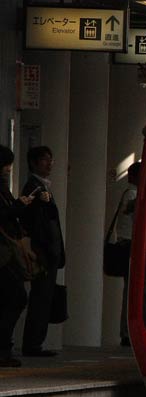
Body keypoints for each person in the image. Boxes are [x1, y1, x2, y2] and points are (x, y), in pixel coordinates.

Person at [20, 146, 64, 357]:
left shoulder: (42, 186)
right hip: (43, 252)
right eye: (45, 160)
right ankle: (33, 344)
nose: (50, 164)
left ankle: (36, 342)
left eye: (50, 159)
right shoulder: (33, 187)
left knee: (44, 297)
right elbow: (36, 221)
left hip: (49, 252)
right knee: (40, 297)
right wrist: (44, 249)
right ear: (34, 163)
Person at [0, 147, 34, 366]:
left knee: (12, 298)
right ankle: (3, 349)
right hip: (3, 254)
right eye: (6, 164)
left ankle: (4, 348)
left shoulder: (3, 188)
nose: (8, 169)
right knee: (15, 297)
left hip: (5, 252)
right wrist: (18, 206)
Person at [114, 162, 139, 346]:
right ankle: (126, 332)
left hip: (125, 243)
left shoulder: (129, 193)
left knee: (128, 289)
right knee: (131, 290)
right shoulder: (133, 194)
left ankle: (126, 331)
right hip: (130, 245)